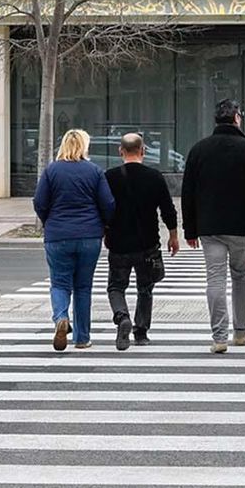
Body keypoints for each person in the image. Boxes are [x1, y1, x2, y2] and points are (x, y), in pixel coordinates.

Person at [181, 99, 245, 352]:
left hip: (210, 227)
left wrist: (189, 228)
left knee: (215, 279)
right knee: (241, 276)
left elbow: (188, 192)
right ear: (237, 118)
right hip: (243, 227)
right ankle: (240, 331)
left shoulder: (199, 150)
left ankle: (219, 336)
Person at [33, 129, 115, 351]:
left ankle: (61, 317)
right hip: (89, 235)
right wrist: (104, 225)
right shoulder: (94, 171)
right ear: (84, 146)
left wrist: (49, 221)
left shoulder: (51, 171)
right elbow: (108, 203)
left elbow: (39, 202)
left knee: (60, 283)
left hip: (58, 234)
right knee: (83, 287)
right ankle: (82, 338)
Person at [103, 132, 179, 350]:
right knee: (145, 288)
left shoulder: (109, 177)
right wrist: (173, 236)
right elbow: (167, 209)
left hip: (118, 242)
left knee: (116, 286)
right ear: (143, 150)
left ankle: (122, 316)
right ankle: (141, 332)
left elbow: (103, 208)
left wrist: (104, 231)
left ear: (120, 151)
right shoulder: (154, 177)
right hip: (147, 243)